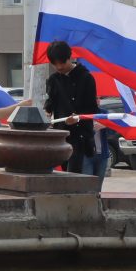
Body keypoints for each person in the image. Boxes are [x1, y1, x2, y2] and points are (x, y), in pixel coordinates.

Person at [43, 40, 102, 174]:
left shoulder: (86, 78)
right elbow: (50, 102)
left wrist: (78, 118)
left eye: (62, 63)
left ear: (70, 57)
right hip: (61, 135)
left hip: (80, 136)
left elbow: (92, 109)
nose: (59, 67)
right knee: (62, 173)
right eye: (54, 64)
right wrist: (47, 111)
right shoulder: (53, 80)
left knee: (75, 174)